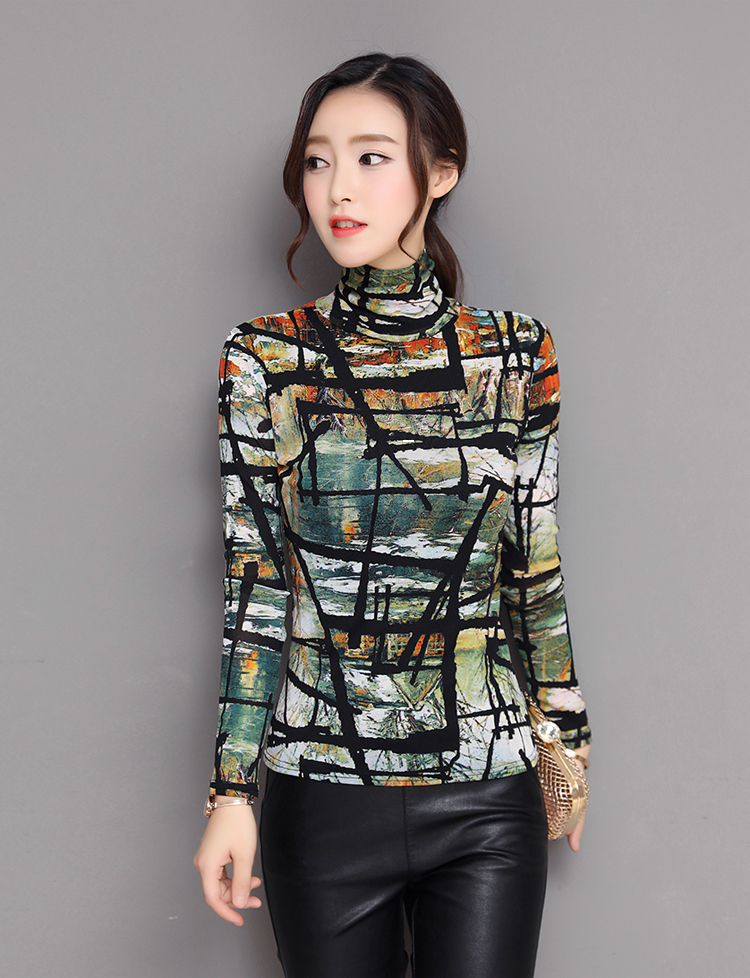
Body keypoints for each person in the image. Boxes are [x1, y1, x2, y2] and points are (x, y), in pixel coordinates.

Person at [194, 52, 591, 978]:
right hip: (320, 796)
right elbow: (257, 588)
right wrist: (231, 792)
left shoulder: (516, 354)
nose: (338, 186)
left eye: (371, 156)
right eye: (318, 159)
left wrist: (567, 738)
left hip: (488, 796)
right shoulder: (264, 360)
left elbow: (533, 565)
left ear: (440, 172)